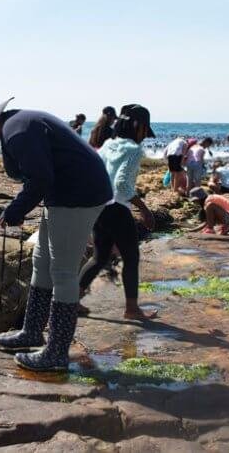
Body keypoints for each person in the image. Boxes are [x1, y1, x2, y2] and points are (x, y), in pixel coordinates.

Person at [0, 95, 112, 372]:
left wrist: (16, 210)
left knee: (62, 271)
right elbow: (40, 175)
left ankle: (56, 353)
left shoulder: (17, 130)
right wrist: (18, 206)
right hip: (64, 192)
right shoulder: (16, 124)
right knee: (42, 261)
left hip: (79, 194)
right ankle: (32, 332)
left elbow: (40, 178)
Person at [78, 105, 157, 320]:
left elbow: (93, 176)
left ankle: (72, 301)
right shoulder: (133, 149)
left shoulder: (107, 146)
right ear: (137, 126)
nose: (144, 136)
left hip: (99, 207)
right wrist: (144, 208)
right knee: (131, 257)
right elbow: (122, 184)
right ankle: (132, 309)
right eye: (144, 130)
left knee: (99, 256)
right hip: (118, 210)